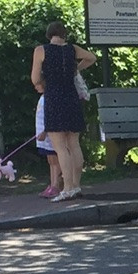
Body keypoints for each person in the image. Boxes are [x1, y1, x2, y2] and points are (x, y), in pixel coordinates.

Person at [30, 20, 96, 200]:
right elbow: (91, 57)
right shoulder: (72, 49)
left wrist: (43, 82)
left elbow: (35, 78)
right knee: (74, 144)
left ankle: (66, 188)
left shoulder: (41, 50)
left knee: (60, 147)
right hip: (71, 97)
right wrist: (76, 68)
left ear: (49, 34)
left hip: (54, 97)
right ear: (64, 33)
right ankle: (76, 185)